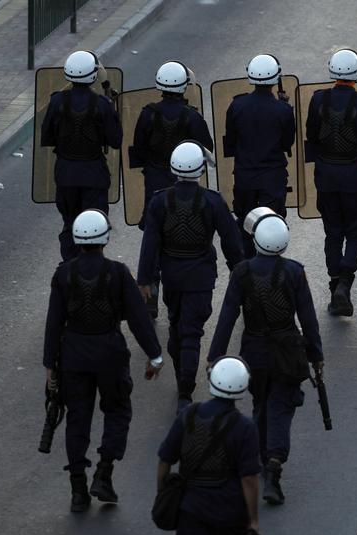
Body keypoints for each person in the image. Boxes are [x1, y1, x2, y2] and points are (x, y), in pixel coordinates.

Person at [42, 209, 162, 512]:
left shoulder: (64, 273)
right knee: (118, 410)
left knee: (77, 419)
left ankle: (78, 490)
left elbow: (54, 322)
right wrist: (155, 355)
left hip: (73, 356)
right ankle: (104, 473)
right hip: (110, 353)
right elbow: (138, 317)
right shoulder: (118, 273)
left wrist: (48, 366)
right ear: (105, 237)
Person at [208, 207, 324, 504]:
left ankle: (262, 455)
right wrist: (316, 354)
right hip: (288, 351)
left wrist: (215, 356)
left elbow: (227, 317)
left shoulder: (242, 272)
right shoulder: (294, 272)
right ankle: (274, 465)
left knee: (261, 404)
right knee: (281, 408)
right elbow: (308, 318)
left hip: (254, 352)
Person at [137, 141, 243, 413]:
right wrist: (239, 270)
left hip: (171, 275)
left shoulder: (160, 201)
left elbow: (150, 243)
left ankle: (182, 380)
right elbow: (230, 240)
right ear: (200, 170)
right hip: (201, 276)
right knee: (191, 332)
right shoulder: (213, 200)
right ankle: (185, 388)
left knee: (177, 326)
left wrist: (145, 280)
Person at [129, 60, 214, 317]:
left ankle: (151, 290)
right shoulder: (193, 116)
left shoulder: (147, 114)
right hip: (185, 185)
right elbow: (206, 149)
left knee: (153, 235)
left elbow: (138, 150)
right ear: (184, 86)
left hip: (155, 183)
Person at [304, 49, 357, 316]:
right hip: (355, 178)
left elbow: (311, 135)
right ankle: (345, 285)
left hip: (326, 177)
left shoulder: (317, 100)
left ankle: (335, 283)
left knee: (333, 232)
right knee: (356, 232)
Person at [157, 356, 261, 535]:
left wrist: (163, 495)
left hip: (191, 511)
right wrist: (253, 519)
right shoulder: (245, 427)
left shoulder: (189, 414)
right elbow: (249, 479)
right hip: (230, 514)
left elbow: (165, 459)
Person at [41, 50, 123, 261]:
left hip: (66, 174)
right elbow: (116, 141)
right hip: (93, 174)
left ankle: (68, 266)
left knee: (69, 224)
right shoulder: (102, 104)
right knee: (94, 224)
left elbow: (47, 135)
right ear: (93, 75)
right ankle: (92, 266)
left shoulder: (57, 101)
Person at [224, 54, 296, 257]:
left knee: (245, 222)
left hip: (245, 176)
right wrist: (285, 106)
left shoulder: (236, 106)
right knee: (271, 224)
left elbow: (230, 142)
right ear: (275, 79)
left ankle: (246, 266)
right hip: (272, 178)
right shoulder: (282, 110)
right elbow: (287, 143)